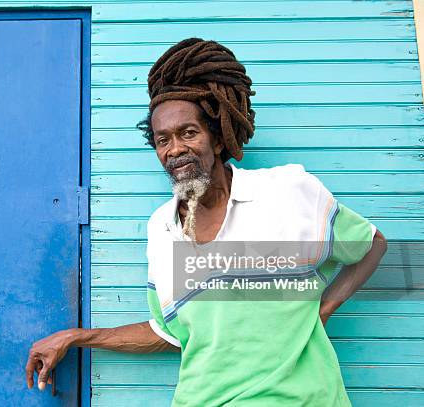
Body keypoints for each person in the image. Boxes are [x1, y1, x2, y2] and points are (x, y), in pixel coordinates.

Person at [25, 38, 388, 406]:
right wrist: (76, 336)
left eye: (188, 132)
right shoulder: (161, 228)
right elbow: (170, 332)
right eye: (162, 140)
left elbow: (372, 244)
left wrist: (323, 309)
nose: (175, 149)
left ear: (217, 139)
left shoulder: (288, 192)